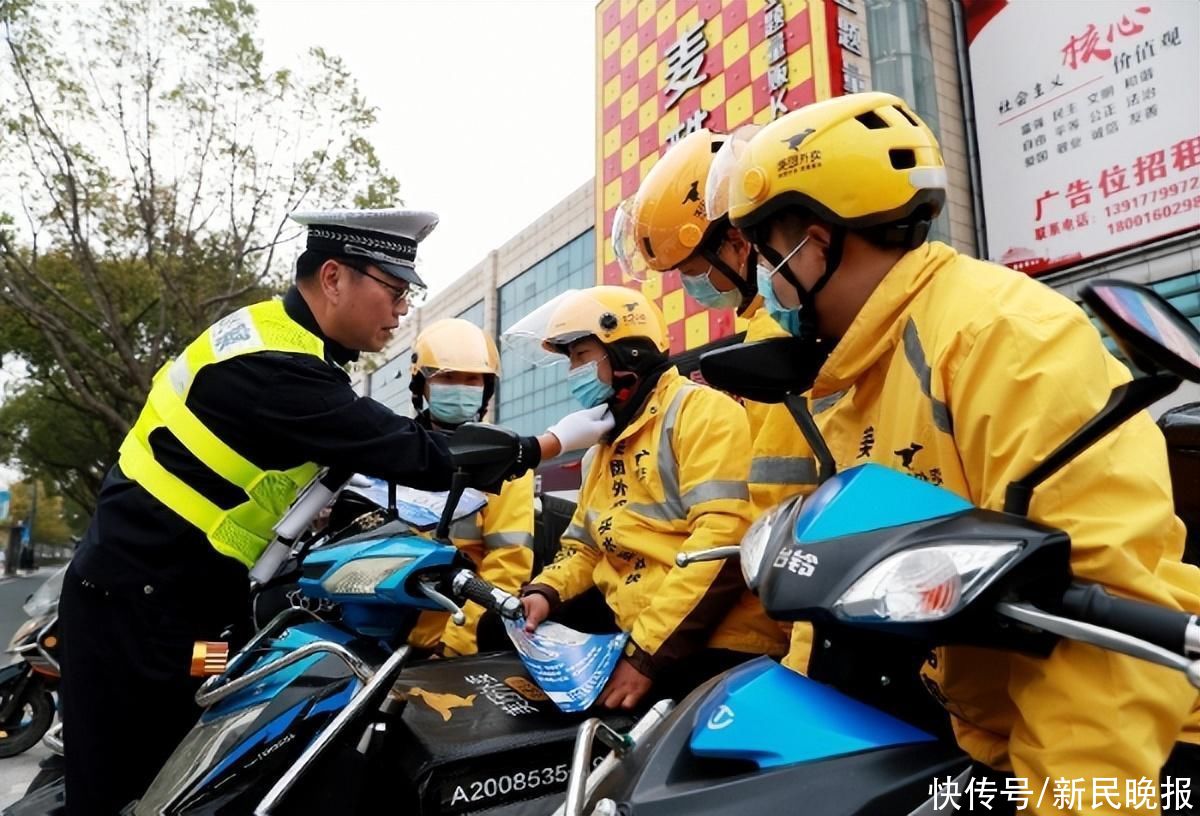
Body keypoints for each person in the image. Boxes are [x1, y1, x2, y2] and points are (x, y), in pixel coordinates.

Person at [711, 91, 1200, 811]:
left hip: (1113, 760)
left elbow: (1102, 625)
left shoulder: (1007, 336)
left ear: (814, 242)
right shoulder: (851, 372)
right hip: (974, 736)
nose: (761, 278)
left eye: (764, 250)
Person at [59, 208, 613, 815]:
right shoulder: (279, 369)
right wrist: (546, 444)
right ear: (333, 277)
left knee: (188, 776)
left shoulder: (277, 340)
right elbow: (410, 451)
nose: (402, 309)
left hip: (172, 592)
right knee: (143, 785)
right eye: (395, 291)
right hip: (142, 602)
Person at [508, 285, 786, 710]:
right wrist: (545, 591)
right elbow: (583, 548)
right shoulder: (600, 449)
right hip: (642, 639)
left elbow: (723, 543)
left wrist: (645, 657)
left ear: (627, 353)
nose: (573, 373)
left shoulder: (702, 412)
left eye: (581, 356)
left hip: (717, 646)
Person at [612, 127, 786, 440]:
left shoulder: (775, 333)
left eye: (692, 269)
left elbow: (778, 481)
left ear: (737, 244)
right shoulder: (771, 322)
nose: (689, 285)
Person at [403, 318, 535, 657]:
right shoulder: (396, 450)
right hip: (377, 629)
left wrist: (455, 646)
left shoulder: (508, 460)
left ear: (486, 389)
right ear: (422, 386)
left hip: (443, 646)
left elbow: (507, 565)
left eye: (472, 379)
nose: (460, 387)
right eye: (447, 377)